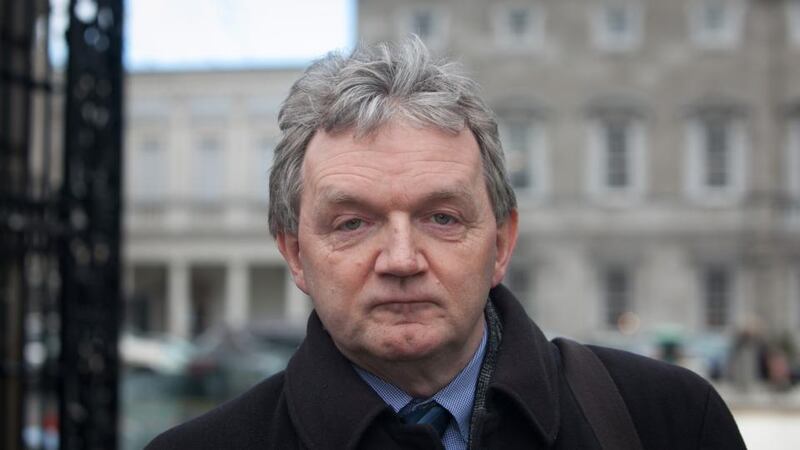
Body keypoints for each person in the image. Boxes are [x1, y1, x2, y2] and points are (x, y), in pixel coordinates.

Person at [147, 38, 746, 450]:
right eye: (352, 223)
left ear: (502, 242)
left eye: (441, 217)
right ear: (295, 254)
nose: (402, 260)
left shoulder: (669, 420)